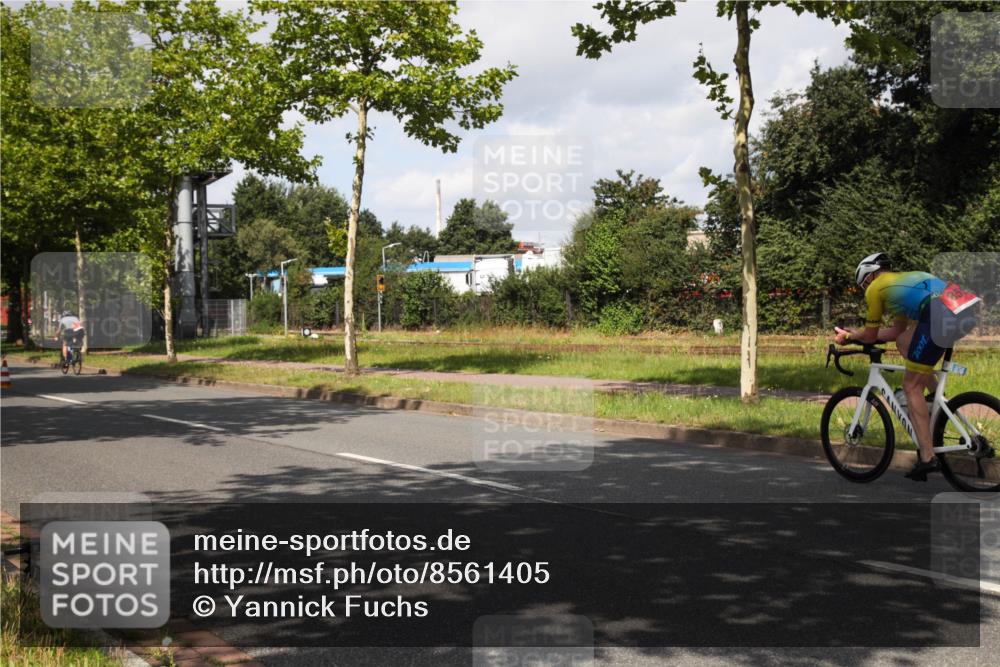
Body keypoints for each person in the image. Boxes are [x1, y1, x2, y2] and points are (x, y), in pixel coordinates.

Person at [833, 253, 980, 481]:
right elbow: (895, 333)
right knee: (905, 342)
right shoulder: (901, 283)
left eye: (863, 284)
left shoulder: (875, 289)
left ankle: (928, 458)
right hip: (966, 308)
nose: (865, 289)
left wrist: (850, 337)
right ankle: (933, 399)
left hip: (939, 313)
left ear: (870, 276)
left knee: (910, 387)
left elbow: (871, 336)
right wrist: (858, 335)